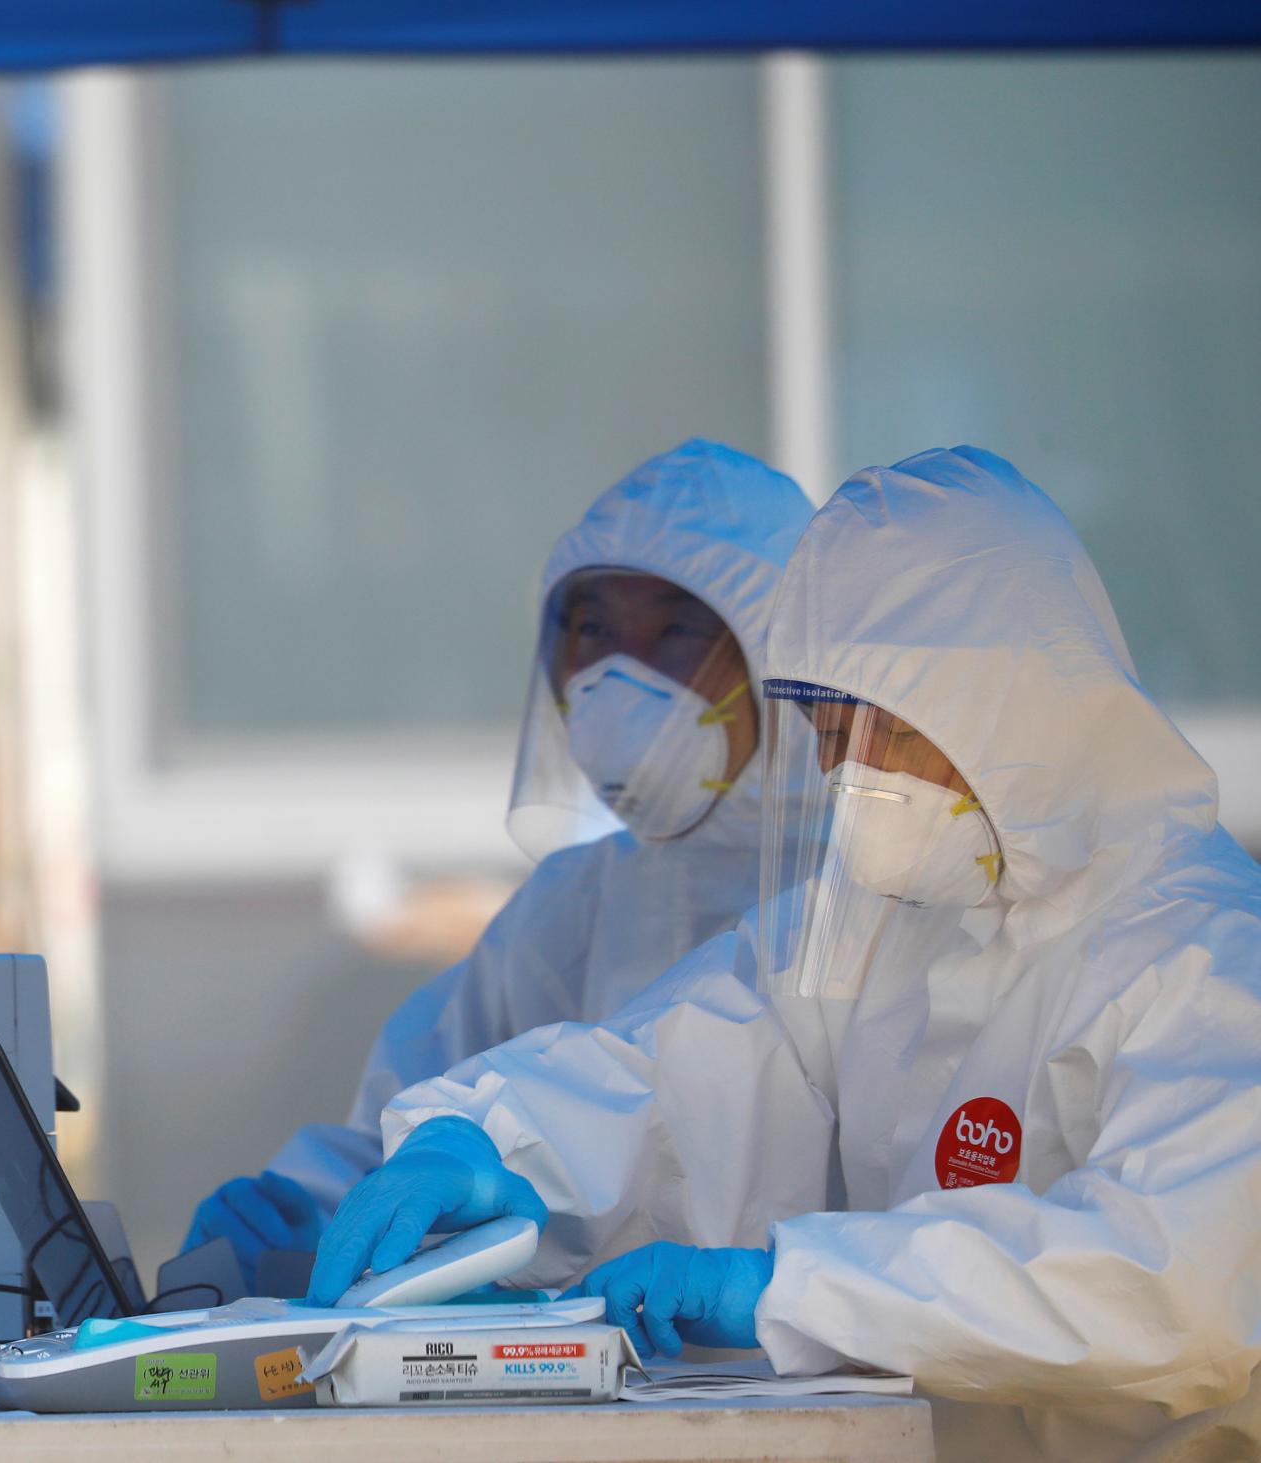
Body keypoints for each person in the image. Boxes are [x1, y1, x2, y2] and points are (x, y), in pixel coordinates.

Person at [309, 447, 1261, 1459]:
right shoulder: (894, 912)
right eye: (819, 728)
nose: (844, 775)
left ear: (1006, 705)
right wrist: (492, 1138)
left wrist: (783, 1285)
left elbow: (1169, 1282)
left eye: (879, 728)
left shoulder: (1202, 955)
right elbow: (678, 1057)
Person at [181, 440, 813, 1292]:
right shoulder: (573, 906)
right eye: (592, 629)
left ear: (786, 657)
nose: (619, 676)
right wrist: (312, 1213)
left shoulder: (866, 899)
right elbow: (418, 1124)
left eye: (676, 631)